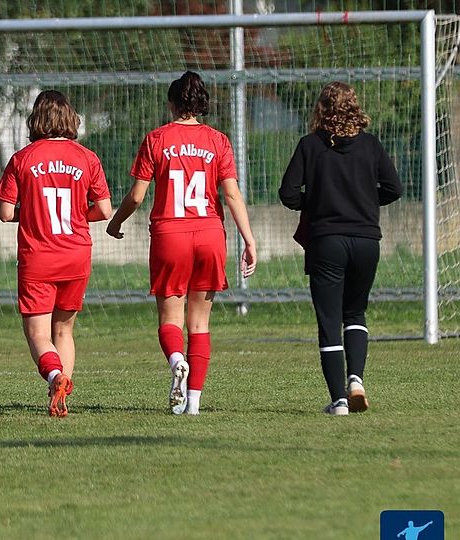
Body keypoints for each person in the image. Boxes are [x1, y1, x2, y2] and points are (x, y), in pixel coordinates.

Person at [106, 71, 257, 415]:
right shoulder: (218, 141)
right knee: (200, 323)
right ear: (201, 104)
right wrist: (249, 240)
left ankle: (176, 361)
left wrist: (115, 223)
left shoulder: (157, 139)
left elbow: (137, 195)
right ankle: (193, 404)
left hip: (170, 235)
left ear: (172, 104)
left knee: (170, 320)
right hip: (209, 234)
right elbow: (231, 193)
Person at [279, 81, 402, 415]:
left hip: (327, 242)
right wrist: (361, 198)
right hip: (366, 241)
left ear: (321, 109)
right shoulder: (370, 146)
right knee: (355, 313)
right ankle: (356, 380)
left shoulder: (309, 145)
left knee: (329, 320)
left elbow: (288, 193)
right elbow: (394, 188)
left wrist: (317, 201)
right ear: (355, 107)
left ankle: (339, 401)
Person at [0, 90, 112, 417]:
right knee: (64, 331)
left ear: (36, 120)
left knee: (37, 334)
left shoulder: (22, 158)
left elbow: (5, 213)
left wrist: (31, 213)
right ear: (70, 119)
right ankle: (61, 394)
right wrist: (77, 214)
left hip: (38, 257)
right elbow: (104, 209)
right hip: (76, 253)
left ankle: (55, 376)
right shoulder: (87, 158)